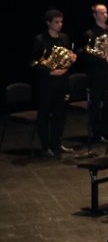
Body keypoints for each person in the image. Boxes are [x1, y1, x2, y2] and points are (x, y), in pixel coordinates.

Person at [31, 9, 76, 157]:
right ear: (48, 23)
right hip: (47, 82)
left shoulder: (64, 38)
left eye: (61, 22)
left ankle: (56, 143)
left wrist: (71, 58)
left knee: (60, 114)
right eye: (56, 22)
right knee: (44, 115)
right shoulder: (40, 39)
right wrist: (49, 71)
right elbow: (33, 63)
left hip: (62, 81)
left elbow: (65, 57)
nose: (60, 25)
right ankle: (45, 147)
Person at [81, 3, 108, 142]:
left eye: (106, 12)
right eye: (102, 13)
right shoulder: (90, 34)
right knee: (96, 105)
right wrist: (103, 59)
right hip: (97, 74)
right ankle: (96, 134)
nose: (105, 15)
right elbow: (86, 55)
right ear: (95, 15)